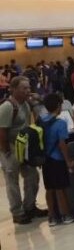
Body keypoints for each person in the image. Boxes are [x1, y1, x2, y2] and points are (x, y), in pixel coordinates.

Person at [0, 76, 48, 225]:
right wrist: (7, 151)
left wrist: (37, 100)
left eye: (28, 87)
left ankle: (30, 206)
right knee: (12, 182)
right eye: (24, 88)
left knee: (32, 177)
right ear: (13, 89)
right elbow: (1, 132)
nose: (28, 90)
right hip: (10, 148)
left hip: (25, 148)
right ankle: (18, 212)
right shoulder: (7, 107)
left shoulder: (26, 103)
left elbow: (39, 116)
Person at [40, 93, 74, 226]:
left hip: (45, 160)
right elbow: (62, 144)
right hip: (57, 159)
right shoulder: (60, 123)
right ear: (58, 106)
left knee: (49, 188)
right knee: (61, 188)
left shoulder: (41, 120)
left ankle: (52, 217)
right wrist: (69, 162)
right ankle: (66, 215)